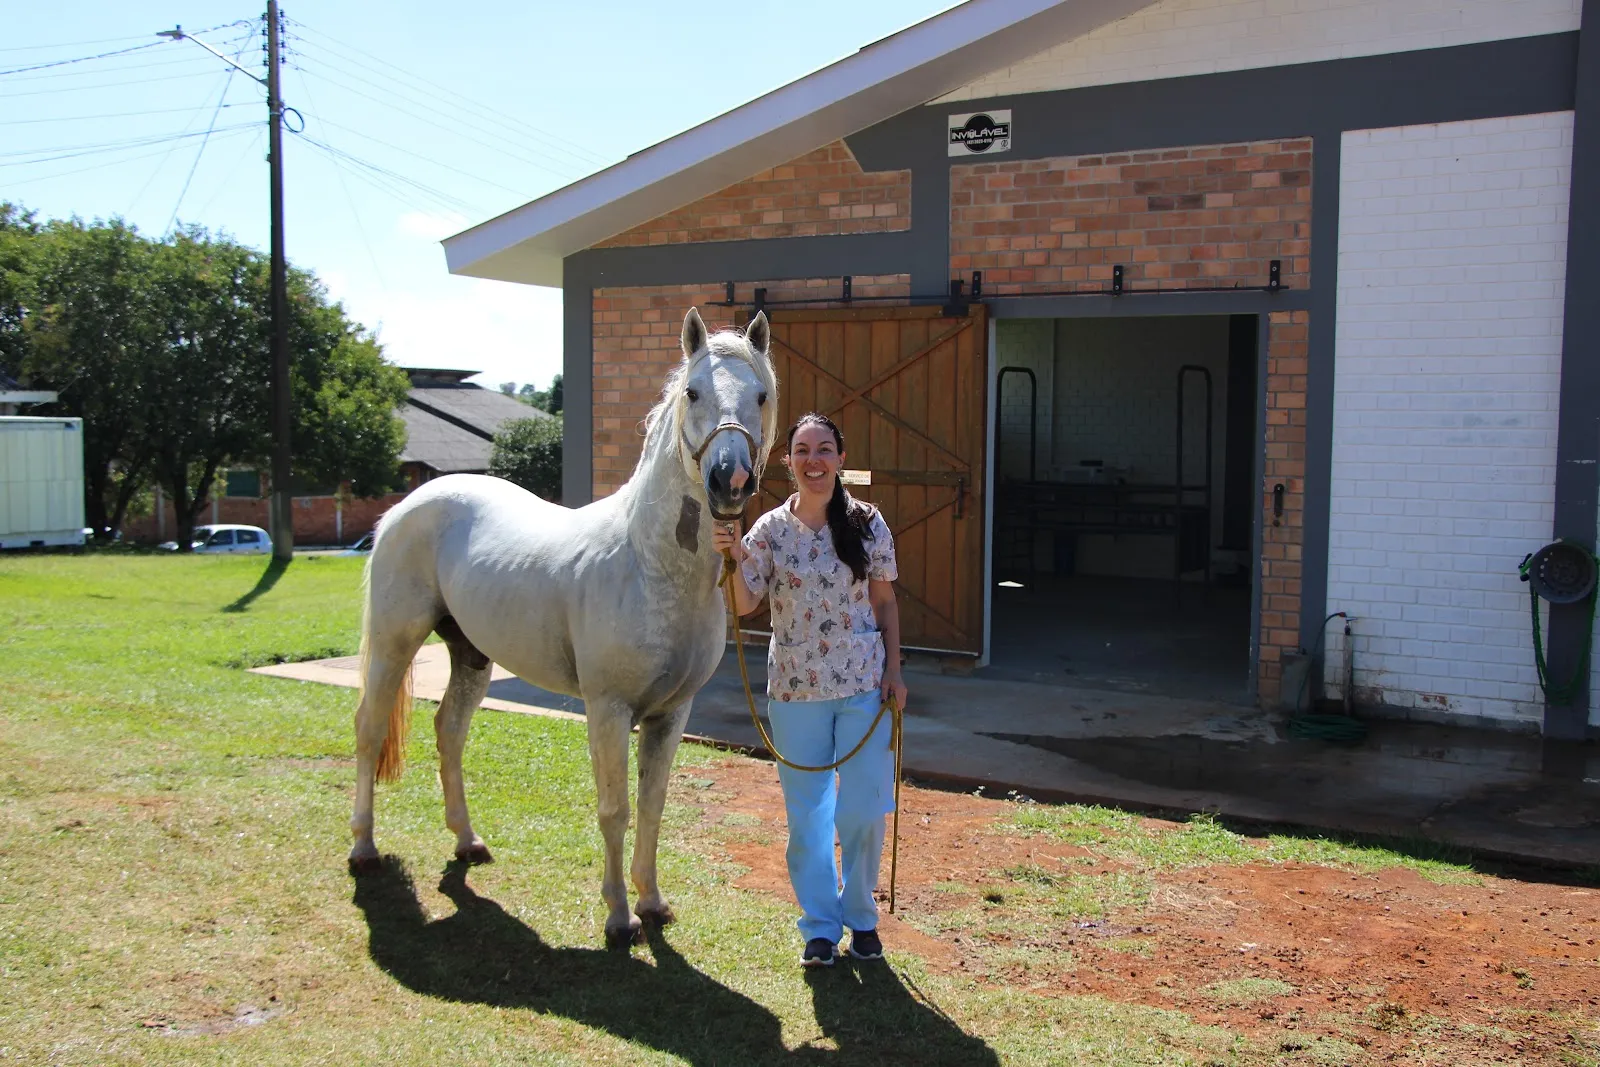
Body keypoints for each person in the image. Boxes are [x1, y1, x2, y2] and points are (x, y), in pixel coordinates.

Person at [712, 411, 908, 968]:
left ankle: (861, 916)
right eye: (802, 450)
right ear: (788, 462)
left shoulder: (868, 523)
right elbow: (745, 604)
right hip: (795, 691)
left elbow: (886, 602)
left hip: (864, 687)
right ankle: (820, 927)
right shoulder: (768, 531)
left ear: (841, 459)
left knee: (866, 807)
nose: (813, 460)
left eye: (824, 449)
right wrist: (731, 556)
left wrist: (895, 671)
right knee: (808, 816)